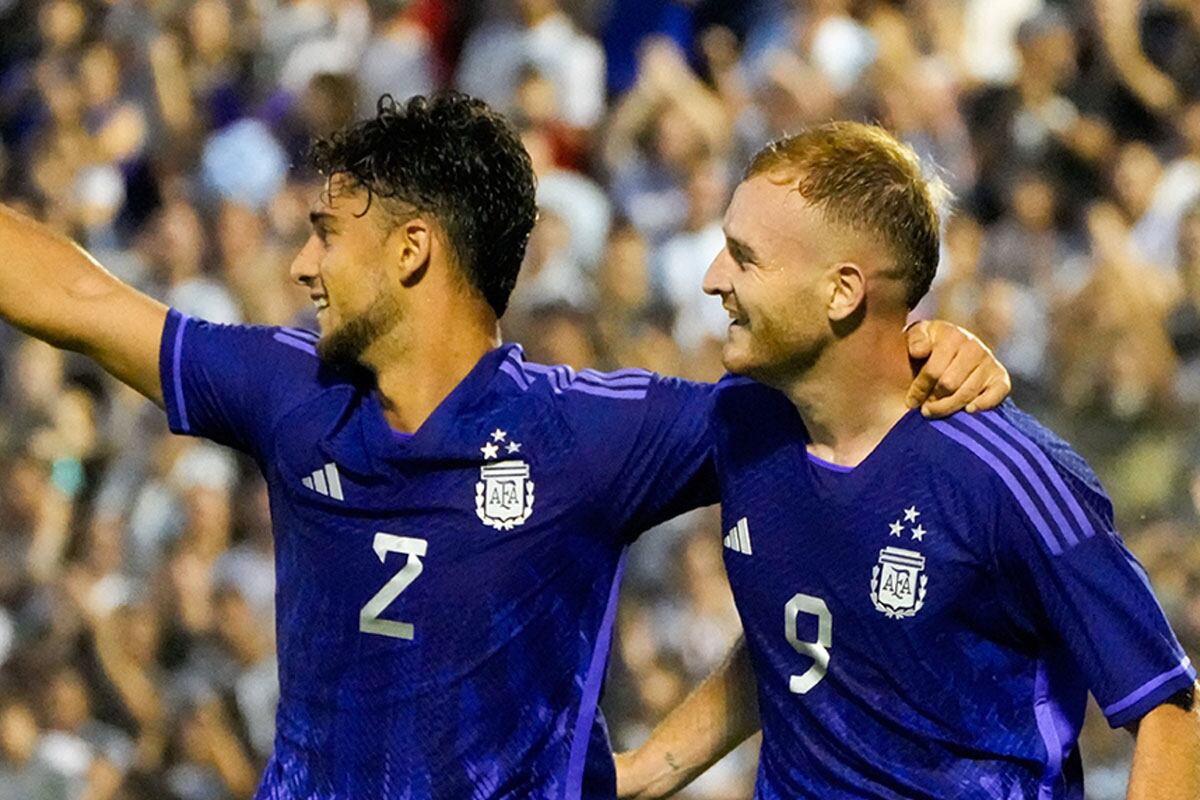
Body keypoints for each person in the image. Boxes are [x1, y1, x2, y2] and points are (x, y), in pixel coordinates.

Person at [0, 94, 1007, 798]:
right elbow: (80, 298)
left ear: (412, 250)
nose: (302, 264)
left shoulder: (594, 434)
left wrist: (929, 352)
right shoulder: (287, 389)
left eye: (326, 233)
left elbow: (840, 436)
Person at [614, 122, 1200, 799]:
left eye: (745, 259)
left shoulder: (1006, 474)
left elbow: (1171, 712)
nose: (713, 279)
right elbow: (804, 643)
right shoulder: (745, 423)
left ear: (842, 291)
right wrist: (645, 771)